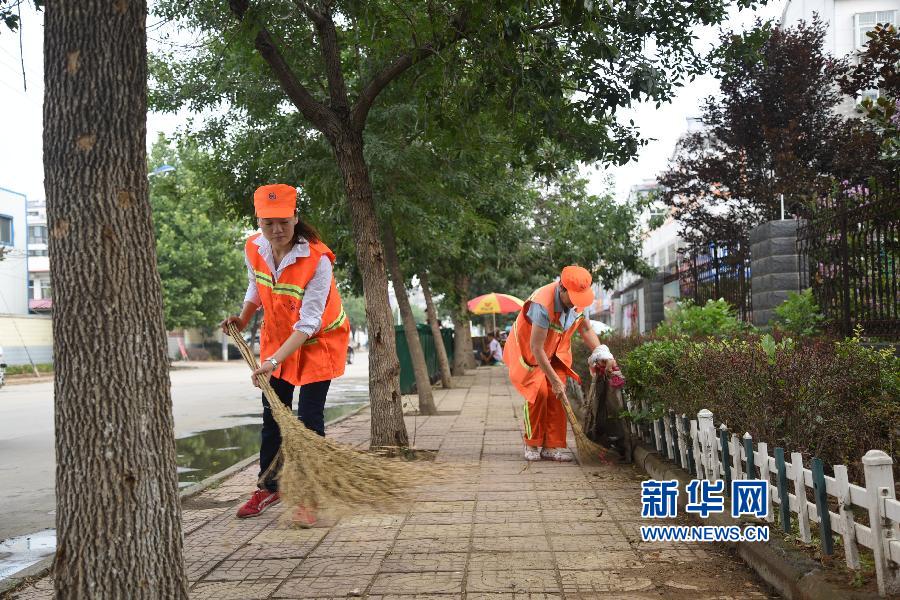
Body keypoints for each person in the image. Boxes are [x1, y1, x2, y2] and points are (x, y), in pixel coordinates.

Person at [221, 183, 350, 525]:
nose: (277, 230)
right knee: (273, 416)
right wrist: (244, 316)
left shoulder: (317, 260)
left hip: (318, 341)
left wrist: (271, 362)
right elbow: (256, 284)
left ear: (295, 217)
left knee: (309, 420)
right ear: (258, 221)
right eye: (268, 223)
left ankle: (309, 494)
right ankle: (269, 486)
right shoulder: (254, 247)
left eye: (283, 222)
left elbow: (309, 323)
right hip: (279, 339)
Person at [503, 265, 615, 462]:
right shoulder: (542, 304)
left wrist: (601, 351)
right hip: (530, 352)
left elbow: (586, 329)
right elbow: (537, 348)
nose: (575, 304)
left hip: (556, 352)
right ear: (562, 289)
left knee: (558, 395)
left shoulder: (578, 300)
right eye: (572, 298)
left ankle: (551, 447)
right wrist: (552, 380)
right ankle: (532, 443)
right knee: (540, 393)